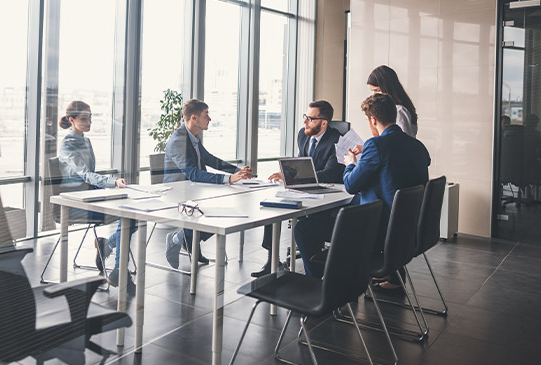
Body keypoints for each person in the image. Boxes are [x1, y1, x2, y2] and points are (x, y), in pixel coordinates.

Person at [294, 93, 430, 286]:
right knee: (330, 216)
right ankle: (337, 278)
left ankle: (318, 286)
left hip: (375, 232)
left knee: (304, 229)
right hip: (406, 231)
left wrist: (350, 164)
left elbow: (350, 185)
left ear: (373, 120)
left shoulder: (375, 145)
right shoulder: (417, 146)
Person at [253, 100, 345, 277]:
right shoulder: (303, 135)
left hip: (328, 194)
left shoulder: (337, 141)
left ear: (324, 122)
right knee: (274, 206)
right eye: (306, 117)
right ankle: (272, 260)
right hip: (304, 188)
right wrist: (287, 173)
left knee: (304, 226)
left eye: (310, 119)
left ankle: (315, 272)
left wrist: (294, 176)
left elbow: (330, 173)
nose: (305, 122)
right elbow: (302, 164)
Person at [163, 99, 253, 268]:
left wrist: (237, 171)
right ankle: (178, 239)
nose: (210, 119)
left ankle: (186, 239)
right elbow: (192, 173)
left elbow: (209, 159)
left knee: (223, 214)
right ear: (194, 118)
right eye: (206, 115)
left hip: (194, 191)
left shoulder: (193, 138)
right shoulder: (178, 140)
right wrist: (228, 179)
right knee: (215, 215)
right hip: (178, 194)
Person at [59, 100, 136, 295]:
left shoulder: (86, 141)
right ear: (71, 119)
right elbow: (85, 174)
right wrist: (112, 182)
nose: (89, 122)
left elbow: (90, 176)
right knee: (127, 216)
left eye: (90, 118)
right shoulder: (67, 143)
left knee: (133, 214)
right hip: (76, 202)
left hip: (91, 196)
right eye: (84, 119)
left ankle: (108, 246)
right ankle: (118, 268)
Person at [367, 65, 418, 137]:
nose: (374, 95)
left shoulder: (399, 111)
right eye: (373, 91)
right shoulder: (394, 109)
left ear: (387, 88)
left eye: (377, 90)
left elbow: (403, 144)